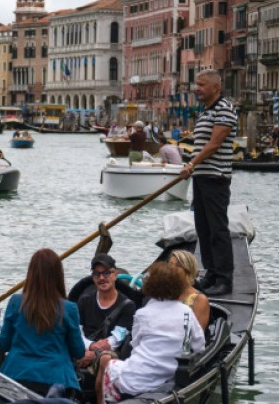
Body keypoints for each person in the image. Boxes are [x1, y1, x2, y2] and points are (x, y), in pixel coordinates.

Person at [95, 263, 204, 404]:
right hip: (170, 375)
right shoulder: (187, 313)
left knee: (105, 362)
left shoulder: (142, 314)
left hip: (136, 379)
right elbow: (199, 346)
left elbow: (135, 345)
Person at [0, 248, 85, 398]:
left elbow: (3, 344)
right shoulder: (69, 309)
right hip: (56, 379)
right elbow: (78, 351)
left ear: (31, 274)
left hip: (16, 375)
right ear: (58, 275)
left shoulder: (15, 302)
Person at [179, 69, 237, 297]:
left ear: (215, 87)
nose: (197, 89)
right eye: (197, 84)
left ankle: (224, 279)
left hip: (216, 177)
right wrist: (194, 168)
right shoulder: (205, 112)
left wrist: (191, 163)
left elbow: (214, 144)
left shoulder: (225, 109)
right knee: (203, 228)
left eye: (202, 85)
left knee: (217, 229)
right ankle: (211, 274)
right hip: (201, 178)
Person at [76, 254, 136, 370]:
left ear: (115, 275)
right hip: (85, 348)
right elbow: (77, 332)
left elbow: (117, 338)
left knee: (105, 358)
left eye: (106, 273)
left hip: (110, 353)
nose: (102, 278)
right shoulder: (84, 301)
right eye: (97, 274)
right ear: (93, 278)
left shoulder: (128, 306)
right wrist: (90, 346)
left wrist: (95, 354)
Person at [168, 250, 210, 329]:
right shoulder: (161, 293)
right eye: (170, 265)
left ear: (188, 271)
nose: (172, 269)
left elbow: (196, 336)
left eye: (178, 266)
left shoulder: (199, 300)